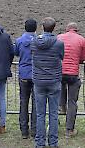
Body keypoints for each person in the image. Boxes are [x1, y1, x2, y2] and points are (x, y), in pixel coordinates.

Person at [31, 17, 65, 148]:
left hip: (39, 80)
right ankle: (53, 142)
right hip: (54, 80)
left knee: (40, 114)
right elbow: (61, 56)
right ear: (54, 28)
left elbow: (32, 54)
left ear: (42, 27)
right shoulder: (59, 43)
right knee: (53, 114)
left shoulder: (34, 42)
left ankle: (39, 142)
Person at [57, 22, 85, 138]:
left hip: (60, 72)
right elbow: (83, 57)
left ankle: (60, 108)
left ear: (66, 29)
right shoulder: (81, 39)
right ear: (76, 30)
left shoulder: (59, 37)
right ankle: (69, 130)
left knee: (58, 93)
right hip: (73, 74)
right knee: (72, 102)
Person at [14, 19, 37, 139]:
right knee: (35, 103)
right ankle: (34, 130)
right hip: (36, 74)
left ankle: (24, 131)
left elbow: (16, 53)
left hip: (23, 74)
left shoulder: (19, 40)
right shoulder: (39, 40)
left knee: (23, 102)